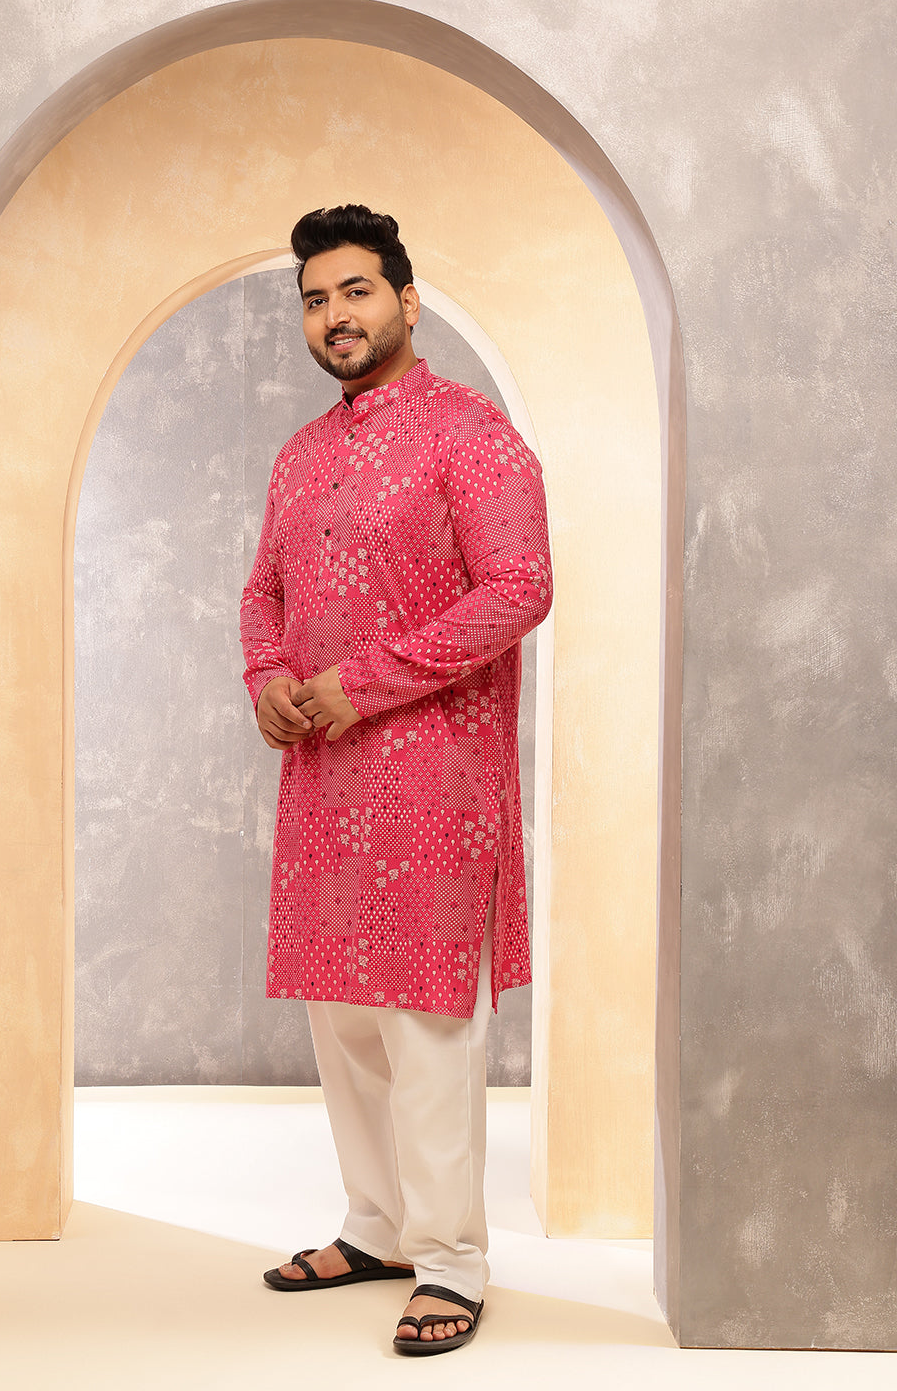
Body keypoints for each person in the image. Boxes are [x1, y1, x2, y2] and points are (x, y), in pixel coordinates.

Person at [239, 205, 552, 1355]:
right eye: (317, 299)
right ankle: (375, 1227)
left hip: (435, 781)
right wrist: (267, 675)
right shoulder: (300, 455)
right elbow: (263, 592)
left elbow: (520, 585)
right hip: (325, 780)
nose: (336, 315)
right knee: (344, 1022)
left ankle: (452, 1260)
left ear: (407, 303)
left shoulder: (470, 432)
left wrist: (361, 682)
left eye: (357, 291)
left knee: (425, 1025)